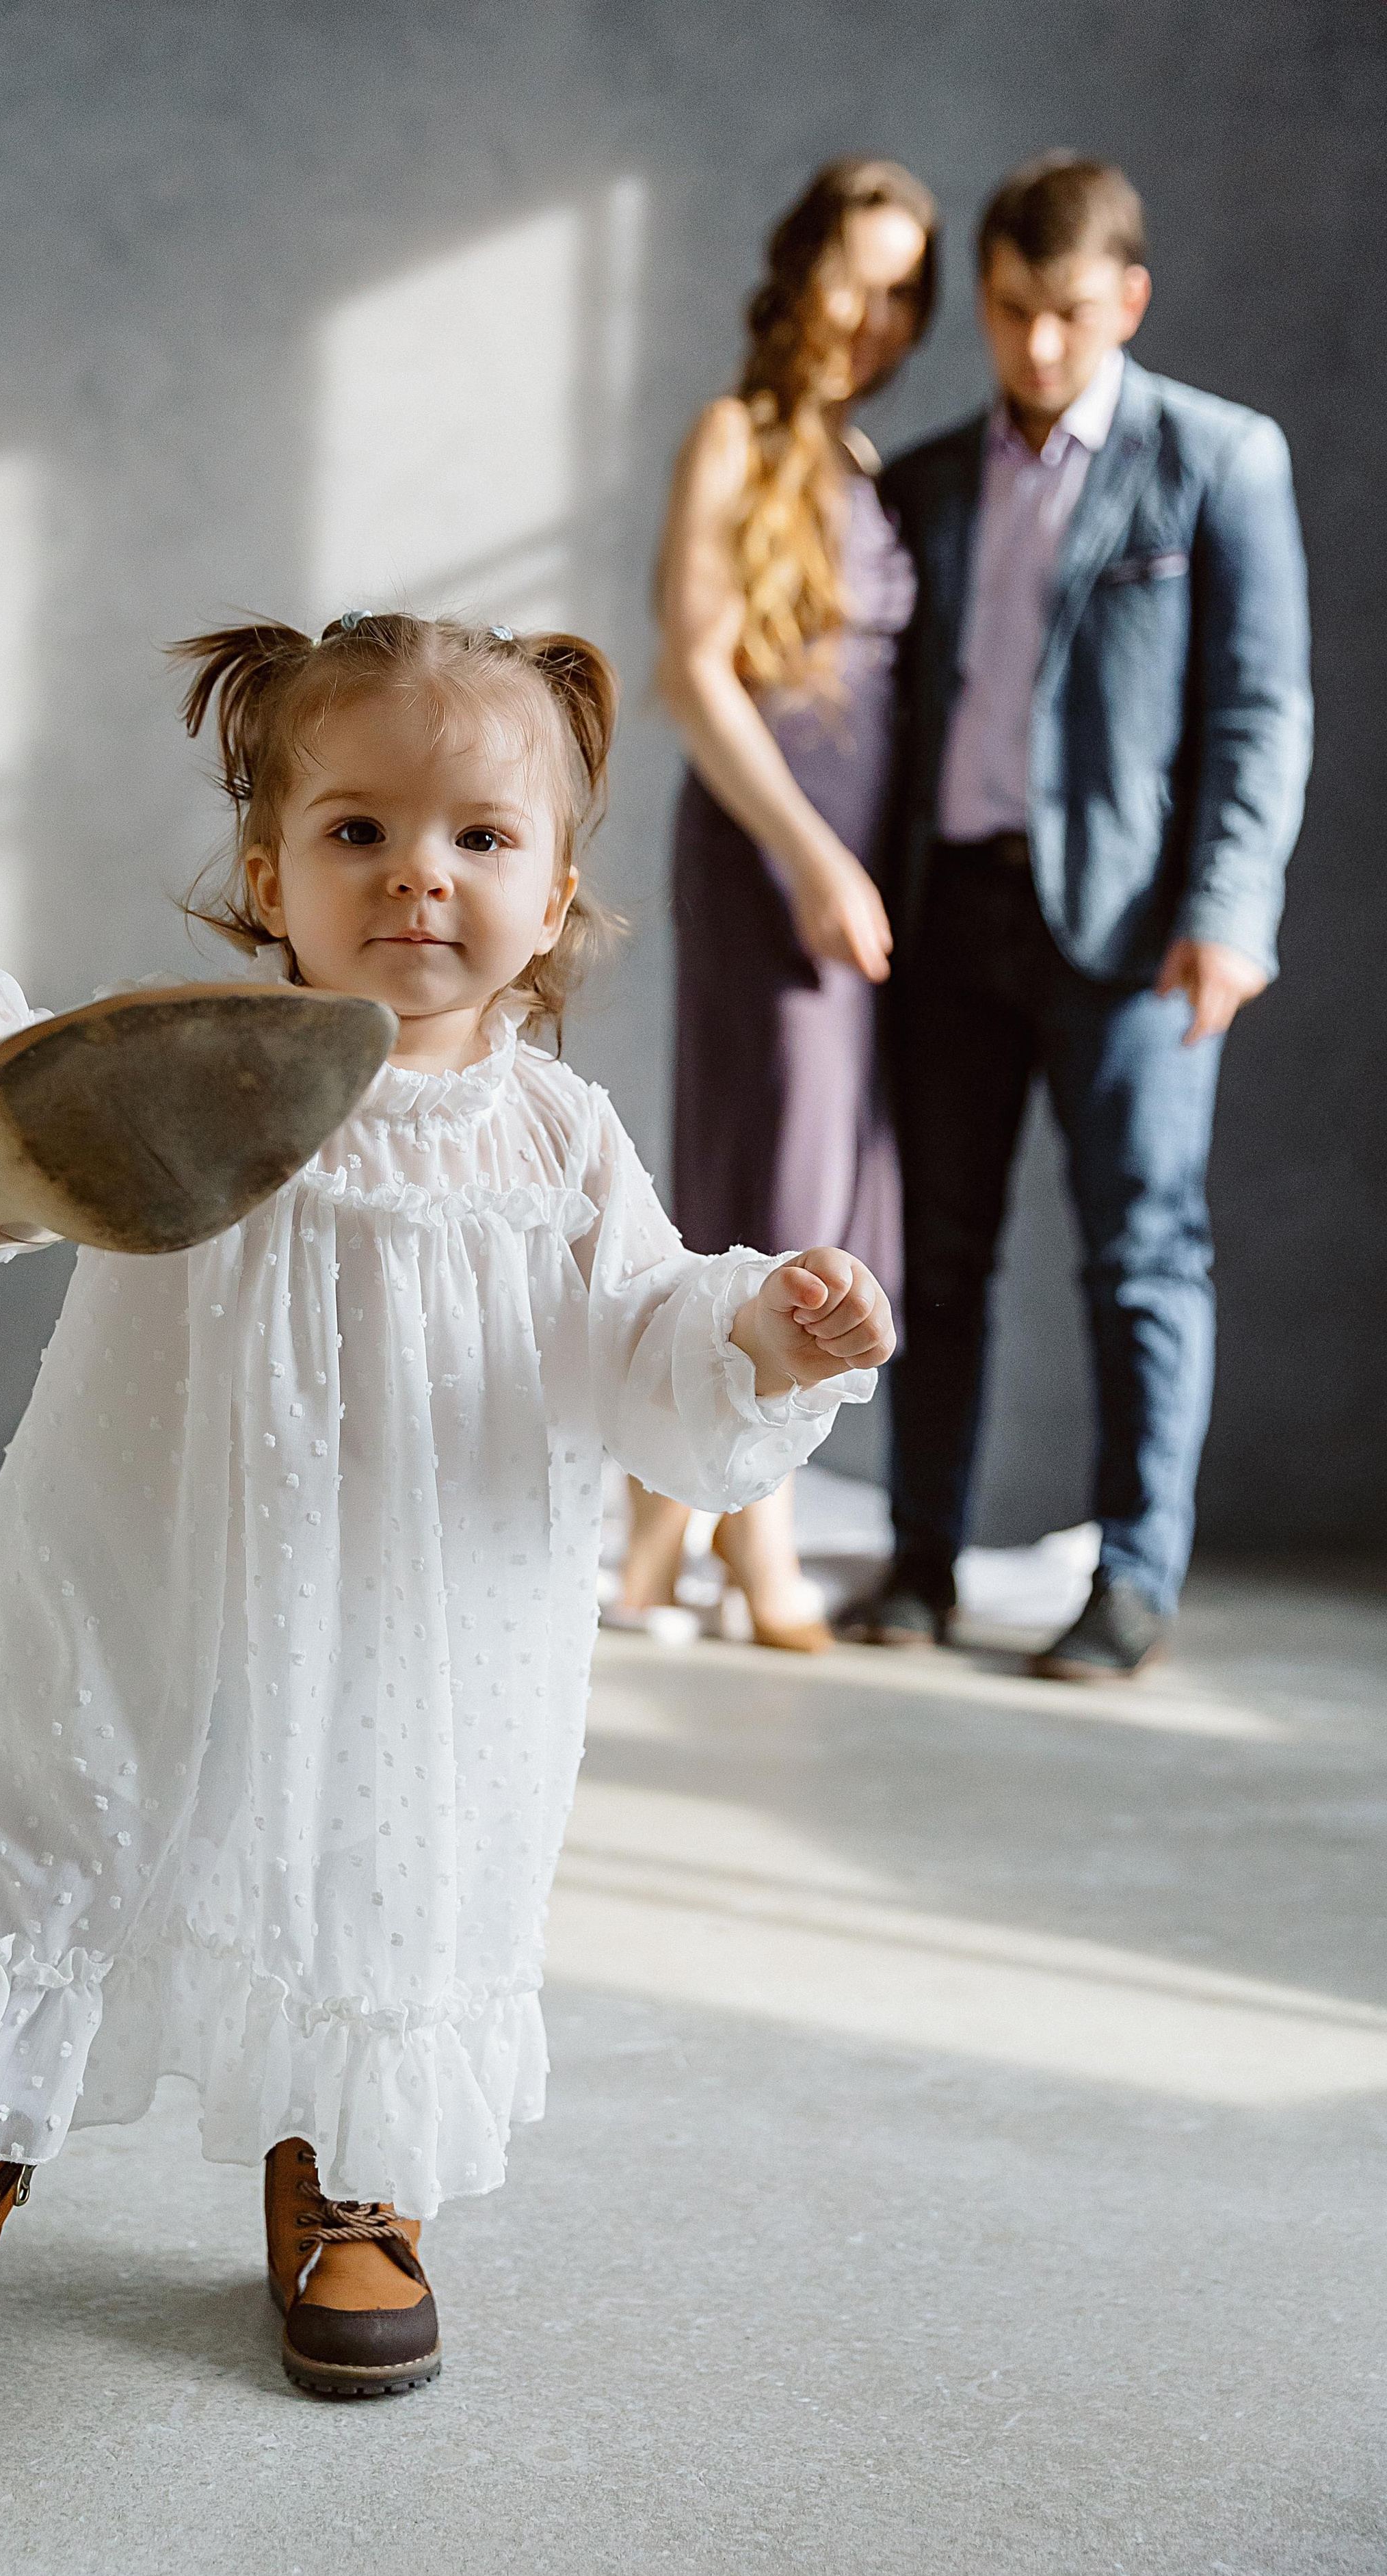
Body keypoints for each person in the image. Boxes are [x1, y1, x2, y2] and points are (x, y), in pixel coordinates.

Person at [0, 612, 894, 2401]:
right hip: (151, 1579)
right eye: (358, 831)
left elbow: (648, 1353)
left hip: (426, 1625)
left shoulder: (559, 1144)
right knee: (62, 1828)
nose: (420, 874)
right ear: (270, 873)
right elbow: (11, 1131)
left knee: (389, 1871)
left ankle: (348, 2173)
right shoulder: (200, 1068)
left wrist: (762, 1336)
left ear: (554, 898)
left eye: (481, 838)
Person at [856, 155, 1312, 1679]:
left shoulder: (1215, 459)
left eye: (1063, 315)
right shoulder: (919, 479)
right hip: (948, 916)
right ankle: (917, 1561)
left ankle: (1130, 1579)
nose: (1034, 349)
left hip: (1130, 935)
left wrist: (1228, 912)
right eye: (1005, 314)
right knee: (936, 1250)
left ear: (1123, 297)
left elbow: (1260, 710)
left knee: (1140, 1253)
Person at [616, 158, 934, 1651]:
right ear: (798, 272)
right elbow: (690, 670)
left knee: (815, 1174)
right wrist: (811, 856)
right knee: (774, 1176)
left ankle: (666, 1536)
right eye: (854, 278)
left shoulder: (863, 465)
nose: (876, 317)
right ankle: (754, 1550)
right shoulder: (729, 438)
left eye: (904, 293)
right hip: (771, 863)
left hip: (852, 881)